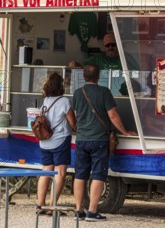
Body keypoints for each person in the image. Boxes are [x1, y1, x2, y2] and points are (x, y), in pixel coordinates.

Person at [72, 64, 136, 221]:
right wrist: (125, 131)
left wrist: (78, 129)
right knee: (99, 175)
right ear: (98, 76)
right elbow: (113, 115)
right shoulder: (104, 92)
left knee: (80, 174)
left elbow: (75, 114)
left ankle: (79, 210)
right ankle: (92, 212)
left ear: (84, 76)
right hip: (99, 139)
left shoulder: (77, 93)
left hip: (81, 139)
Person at [36, 72, 76, 215]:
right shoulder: (64, 101)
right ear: (61, 85)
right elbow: (72, 122)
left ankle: (40, 205)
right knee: (60, 172)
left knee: (46, 170)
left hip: (45, 142)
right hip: (60, 140)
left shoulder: (46, 100)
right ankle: (52, 207)